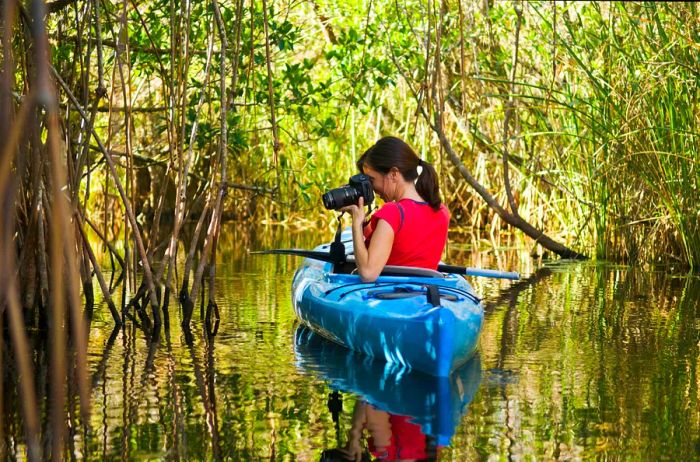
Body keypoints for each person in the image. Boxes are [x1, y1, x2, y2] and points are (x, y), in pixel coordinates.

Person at [340, 136, 450, 282]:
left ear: (393, 174)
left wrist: (355, 223)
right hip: (424, 294)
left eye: (371, 180)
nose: (370, 188)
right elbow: (401, 243)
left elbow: (368, 273)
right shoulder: (442, 212)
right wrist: (363, 223)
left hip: (387, 296)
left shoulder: (393, 213)